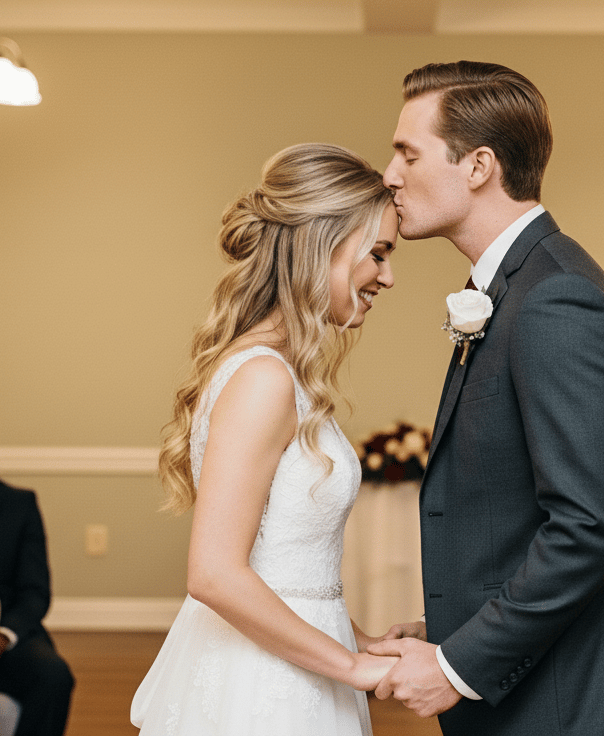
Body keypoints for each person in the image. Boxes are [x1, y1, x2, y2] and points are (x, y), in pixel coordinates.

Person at [368, 61, 604, 736]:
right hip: (541, 678)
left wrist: (456, 664)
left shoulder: (555, 299)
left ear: (477, 166)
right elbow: (515, 509)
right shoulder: (516, 287)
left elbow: (588, 525)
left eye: (407, 153)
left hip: (568, 697)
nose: (389, 175)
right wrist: (446, 626)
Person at [130, 143, 399, 735]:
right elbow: (215, 574)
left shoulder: (279, 371)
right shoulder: (262, 378)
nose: (388, 275)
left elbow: (288, 569)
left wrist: (362, 641)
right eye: (377, 253)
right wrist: (351, 667)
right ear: (322, 248)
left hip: (298, 662)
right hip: (260, 683)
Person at [0, 479, 75, 736]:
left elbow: (35, 591)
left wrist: (3, 636)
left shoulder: (20, 504)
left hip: (7, 632)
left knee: (54, 677)